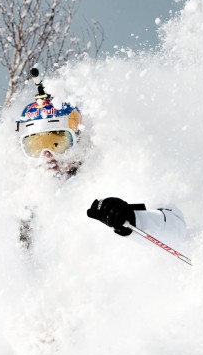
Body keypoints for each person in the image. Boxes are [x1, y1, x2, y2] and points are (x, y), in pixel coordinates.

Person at [15, 68, 186, 249]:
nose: (47, 154)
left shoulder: (116, 170)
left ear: (78, 138)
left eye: (57, 142)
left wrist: (133, 220)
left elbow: (176, 228)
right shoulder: (29, 204)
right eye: (36, 146)